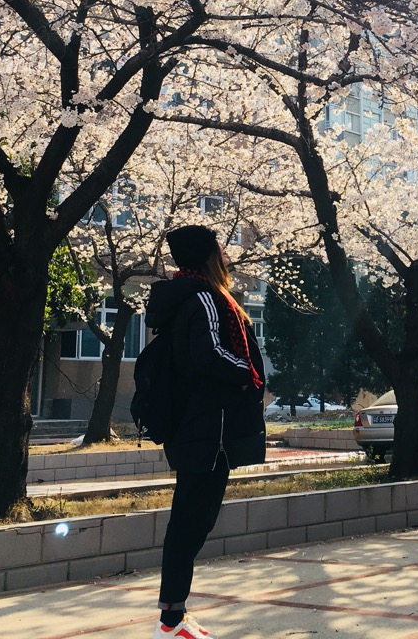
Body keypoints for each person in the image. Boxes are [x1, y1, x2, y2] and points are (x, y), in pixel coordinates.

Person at [146, 225, 266, 639]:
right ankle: (171, 621)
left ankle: (173, 615)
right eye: (219, 249)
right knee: (192, 520)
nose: (225, 255)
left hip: (198, 425)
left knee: (193, 519)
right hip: (208, 429)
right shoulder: (205, 298)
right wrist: (247, 374)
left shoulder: (191, 297)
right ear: (208, 256)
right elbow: (209, 353)